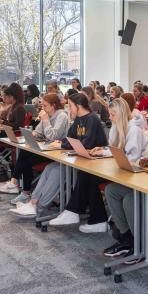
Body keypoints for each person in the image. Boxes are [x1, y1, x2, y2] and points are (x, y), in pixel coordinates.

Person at [48, 93, 110, 229]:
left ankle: (74, 212)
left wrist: (63, 145)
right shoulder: (78, 119)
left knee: (86, 176)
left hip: (100, 162)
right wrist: (61, 142)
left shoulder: (92, 119)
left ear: (79, 106)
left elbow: (86, 144)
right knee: (85, 176)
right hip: (87, 161)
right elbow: (70, 137)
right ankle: (86, 216)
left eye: (70, 106)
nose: (69, 109)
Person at [0, 93, 70, 204]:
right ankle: (19, 187)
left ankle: (19, 187)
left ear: (53, 105)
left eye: (45, 106)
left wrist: (45, 120)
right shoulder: (47, 115)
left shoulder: (62, 116)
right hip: (47, 149)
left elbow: (53, 136)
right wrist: (32, 135)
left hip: (57, 153)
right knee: (25, 153)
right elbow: (38, 132)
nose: (42, 108)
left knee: (27, 159)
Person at [101, 99, 148, 257]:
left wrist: (113, 157)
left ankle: (139, 243)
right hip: (127, 173)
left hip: (140, 176)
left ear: (121, 114)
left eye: (113, 114)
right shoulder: (117, 126)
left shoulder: (134, 130)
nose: (110, 117)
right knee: (110, 190)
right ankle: (126, 237)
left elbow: (132, 158)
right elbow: (115, 150)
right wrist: (103, 152)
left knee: (129, 199)